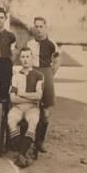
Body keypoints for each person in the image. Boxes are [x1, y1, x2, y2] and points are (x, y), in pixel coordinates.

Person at [27, 16, 60, 154]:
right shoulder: (30, 44)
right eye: (36, 26)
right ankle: (30, 140)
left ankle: (40, 142)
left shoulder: (52, 43)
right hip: (33, 73)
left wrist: (49, 75)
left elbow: (57, 63)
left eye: (41, 26)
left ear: (46, 27)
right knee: (31, 107)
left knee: (45, 110)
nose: (39, 29)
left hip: (46, 73)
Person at [7, 47, 44, 168]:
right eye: (23, 57)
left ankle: (20, 154)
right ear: (20, 59)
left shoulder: (38, 75)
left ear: (32, 58)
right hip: (17, 107)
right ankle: (23, 154)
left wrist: (21, 94)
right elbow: (12, 98)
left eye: (27, 56)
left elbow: (38, 96)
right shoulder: (15, 76)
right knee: (11, 120)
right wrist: (30, 97)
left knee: (33, 121)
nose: (25, 60)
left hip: (32, 108)